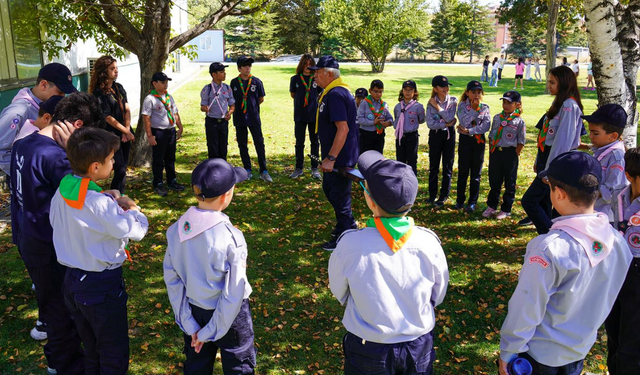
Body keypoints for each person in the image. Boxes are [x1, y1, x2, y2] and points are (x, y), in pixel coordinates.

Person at [499, 151, 632, 375]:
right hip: (578, 350)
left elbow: (527, 306)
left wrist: (509, 350)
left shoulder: (549, 248)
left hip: (537, 355)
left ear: (558, 194)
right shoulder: (618, 242)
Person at [10, 92, 106, 375]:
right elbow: (84, 198)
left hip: (28, 237)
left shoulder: (25, 142)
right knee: (61, 309)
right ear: (77, 125)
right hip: (49, 246)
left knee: (49, 302)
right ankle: (65, 365)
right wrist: (72, 154)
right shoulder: (56, 157)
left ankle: (57, 357)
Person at [329, 150, 449, 375]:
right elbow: (437, 295)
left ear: (369, 200)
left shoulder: (349, 244)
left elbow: (339, 292)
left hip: (368, 348)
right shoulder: (429, 243)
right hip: (418, 346)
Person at [49, 127, 148, 375]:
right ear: (95, 167)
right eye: (111, 158)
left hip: (72, 280)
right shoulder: (100, 204)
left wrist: (108, 197)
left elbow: (58, 220)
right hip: (100, 285)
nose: (114, 162)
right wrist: (132, 207)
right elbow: (136, 231)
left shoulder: (64, 190)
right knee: (113, 350)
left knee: (91, 347)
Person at [164, 158, 256, 374]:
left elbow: (172, 280)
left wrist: (190, 325)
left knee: (196, 365)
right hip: (231, 319)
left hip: (193, 312)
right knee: (238, 366)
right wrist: (209, 331)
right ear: (226, 196)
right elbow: (234, 293)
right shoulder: (231, 238)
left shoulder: (175, 231)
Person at [521, 65, 584, 234]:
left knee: (530, 201)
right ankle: (555, 235)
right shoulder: (560, 102)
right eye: (548, 81)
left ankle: (549, 234)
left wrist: (550, 170)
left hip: (556, 159)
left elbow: (563, 141)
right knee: (550, 202)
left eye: (552, 82)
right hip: (546, 156)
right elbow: (546, 135)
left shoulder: (569, 106)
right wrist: (538, 160)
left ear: (563, 83)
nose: (548, 85)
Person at [308, 55, 359, 251]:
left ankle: (347, 234)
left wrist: (331, 158)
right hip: (337, 155)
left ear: (329, 74)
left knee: (339, 195)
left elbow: (343, 129)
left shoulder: (336, 94)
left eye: (318, 72)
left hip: (340, 157)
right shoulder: (332, 92)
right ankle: (343, 226)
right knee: (331, 190)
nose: (315, 77)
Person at [0, 62, 76, 175]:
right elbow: (2, 151)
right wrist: (28, 174)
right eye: (60, 92)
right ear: (43, 85)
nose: (63, 97)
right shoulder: (18, 113)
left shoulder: (47, 106)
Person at [609, 147, 640, 374]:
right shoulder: (619, 196)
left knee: (632, 338)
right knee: (614, 329)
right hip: (617, 269)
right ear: (630, 177)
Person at [90, 55, 134, 194]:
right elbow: (108, 117)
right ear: (104, 71)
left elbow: (126, 108)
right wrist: (125, 132)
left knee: (123, 167)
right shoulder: (99, 92)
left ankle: (120, 193)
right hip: (111, 135)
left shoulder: (118, 87)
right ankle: (115, 196)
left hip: (124, 132)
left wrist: (127, 129)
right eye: (112, 68)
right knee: (119, 167)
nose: (116, 71)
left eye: (116, 68)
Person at [582, 104, 628, 222]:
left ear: (613, 136)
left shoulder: (616, 157)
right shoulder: (601, 150)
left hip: (607, 218)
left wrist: (581, 191)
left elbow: (612, 192)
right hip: (595, 212)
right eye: (590, 132)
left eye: (595, 133)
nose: (590, 136)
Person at [484, 91, 525, 220]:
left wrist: (514, 154)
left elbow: (521, 141)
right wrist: (492, 149)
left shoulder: (519, 121)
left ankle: (506, 208)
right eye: (504, 102)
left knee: (509, 181)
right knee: (494, 180)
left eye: (509, 103)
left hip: (510, 153)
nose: (506, 105)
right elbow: (492, 135)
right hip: (496, 152)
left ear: (517, 104)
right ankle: (492, 205)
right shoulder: (497, 118)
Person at [230, 56, 272, 182]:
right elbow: (231, 99)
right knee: (242, 144)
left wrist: (251, 107)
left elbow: (260, 99)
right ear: (239, 68)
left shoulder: (256, 82)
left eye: (250, 65)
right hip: (239, 118)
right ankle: (247, 169)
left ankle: (263, 170)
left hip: (253, 117)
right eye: (245, 66)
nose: (248, 68)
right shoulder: (234, 83)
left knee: (259, 143)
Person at [143, 72, 185, 197]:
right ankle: (158, 183)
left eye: (166, 82)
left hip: (170, 131)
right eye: (162, 82)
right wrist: (150, 135)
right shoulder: (150, 99)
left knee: (170, 157)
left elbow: (175, 113)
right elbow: (146, 118)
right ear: (154, 83)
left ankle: (172, 180)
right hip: (159, 132)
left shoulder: (169, 97)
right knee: (158, 159)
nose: (165, 84)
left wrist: (180, 127)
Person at [456, 80, 490, 212]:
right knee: (463, 171)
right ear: (467, 93)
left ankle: (472, 202)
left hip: (478, 141)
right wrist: (475, 111)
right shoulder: (461, 106)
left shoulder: (485, 107)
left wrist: (470, 131)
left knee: (476, 173)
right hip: (465, 141)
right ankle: (460, 200)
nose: (476, 95)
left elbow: (486, 126)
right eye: (473, 92)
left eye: (479, 92)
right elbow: (463, 121)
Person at [426, 75, 457, 206]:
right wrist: (445, 124)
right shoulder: (430, 102)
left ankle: (444, 195)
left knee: (447, 166)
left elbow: (451, 118)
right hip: (435, 135)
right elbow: (430, 123)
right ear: (435, 88)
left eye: (447, 86)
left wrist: (438, 108)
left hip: (449, 135)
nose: (446, 88)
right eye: (442, 86)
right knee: (434, 166)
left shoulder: (453, 101)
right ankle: (432, 195)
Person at [289, 54, 321, 179]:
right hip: (300, 115)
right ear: (301, 65)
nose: (308, 67)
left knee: (314, 142)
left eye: (310, 64)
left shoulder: (316, 79)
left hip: (314, 115)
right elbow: (293, 94)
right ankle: (299, 167)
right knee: (299, 142)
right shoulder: (295, 79)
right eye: (305, 64)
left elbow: (320, 94)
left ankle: (314, 168)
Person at [200, 62, 235, 160]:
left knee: (223, 147)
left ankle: (223, 170)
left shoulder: (227, 88)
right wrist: (205, 108)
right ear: (214, 74)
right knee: (213, 147)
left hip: (223, 122)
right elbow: (202, 106)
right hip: (212, 122)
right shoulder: (207, 89)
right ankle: (213, 170)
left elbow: (232, 104)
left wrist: (230, 112)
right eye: (221, 72)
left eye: (224, 71)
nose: (224, 73)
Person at [393, 80, 425, 175]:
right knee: (400, 162)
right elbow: (396, 119)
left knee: (411, 162)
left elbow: (422, 119)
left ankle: (412, 185)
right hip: (400, 137)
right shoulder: (398, 107)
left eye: (410, 90)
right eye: (405, 89)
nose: (407, 92)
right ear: (402, 91)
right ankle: (400, 185)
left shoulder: (418, 107)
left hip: (412, 137)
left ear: (415, 92)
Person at [357, 79, 393, 154]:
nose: (378, 94)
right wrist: (373, 122)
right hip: (366, 134)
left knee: (378, 157)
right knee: (365, 157)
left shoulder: (384, 105)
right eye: (375, 91)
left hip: (379, 134)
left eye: (380, 92)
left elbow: (389, 118)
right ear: (370, 91)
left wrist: (389, 123)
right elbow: (360, 119)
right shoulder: (364, 103)